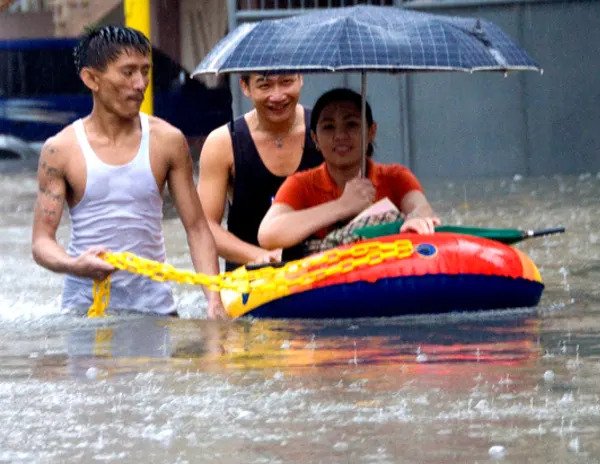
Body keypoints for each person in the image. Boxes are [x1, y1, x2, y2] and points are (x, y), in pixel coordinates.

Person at [31, 25, 226, 319]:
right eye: (128, 72)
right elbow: (42, 241)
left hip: (155, 308)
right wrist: (75, 264)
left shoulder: (168, 140)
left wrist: (214, 298)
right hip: (84, 311)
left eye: (145, 71)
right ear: (91, 78)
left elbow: (197, 228)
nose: (140, 83)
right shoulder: (60, 149)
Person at [257, 87, 439, 250]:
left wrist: (415, 218)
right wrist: (342, 206)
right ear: (315, 138)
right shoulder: (301, 184)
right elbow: (268, 235)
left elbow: (421, 208)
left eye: (351, 124)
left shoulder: (396, 177)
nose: (340, 135)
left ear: (371, 131)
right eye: (329, 127)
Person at [196, 73, 323, 270]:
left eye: (286, 82)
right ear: (245, 87)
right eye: (265, 86)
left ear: (301, 79)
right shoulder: (222, 143)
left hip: (323, 271)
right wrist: (261, 256)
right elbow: (204, 227)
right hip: (250, 277)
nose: (278, 96)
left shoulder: (328, 130)